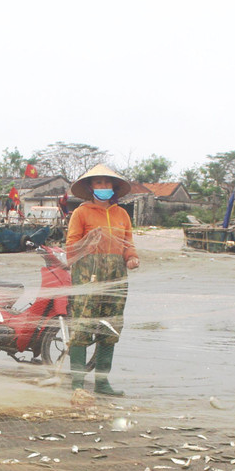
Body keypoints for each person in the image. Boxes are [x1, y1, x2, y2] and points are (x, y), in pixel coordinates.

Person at [65, 164, 139, 396]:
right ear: (90, 186)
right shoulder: (81, 213)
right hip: (87, 275)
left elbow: (128, 244)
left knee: (110, 327)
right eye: (99, 182)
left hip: (116, 276)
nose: (104, 186)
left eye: (107, 183)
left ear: (113, 187)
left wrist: (132, 258)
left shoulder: (122, 214)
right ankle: (78, 385)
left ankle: (102, 383)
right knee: (82, 327)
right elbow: (71, 248)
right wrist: (88, 242)